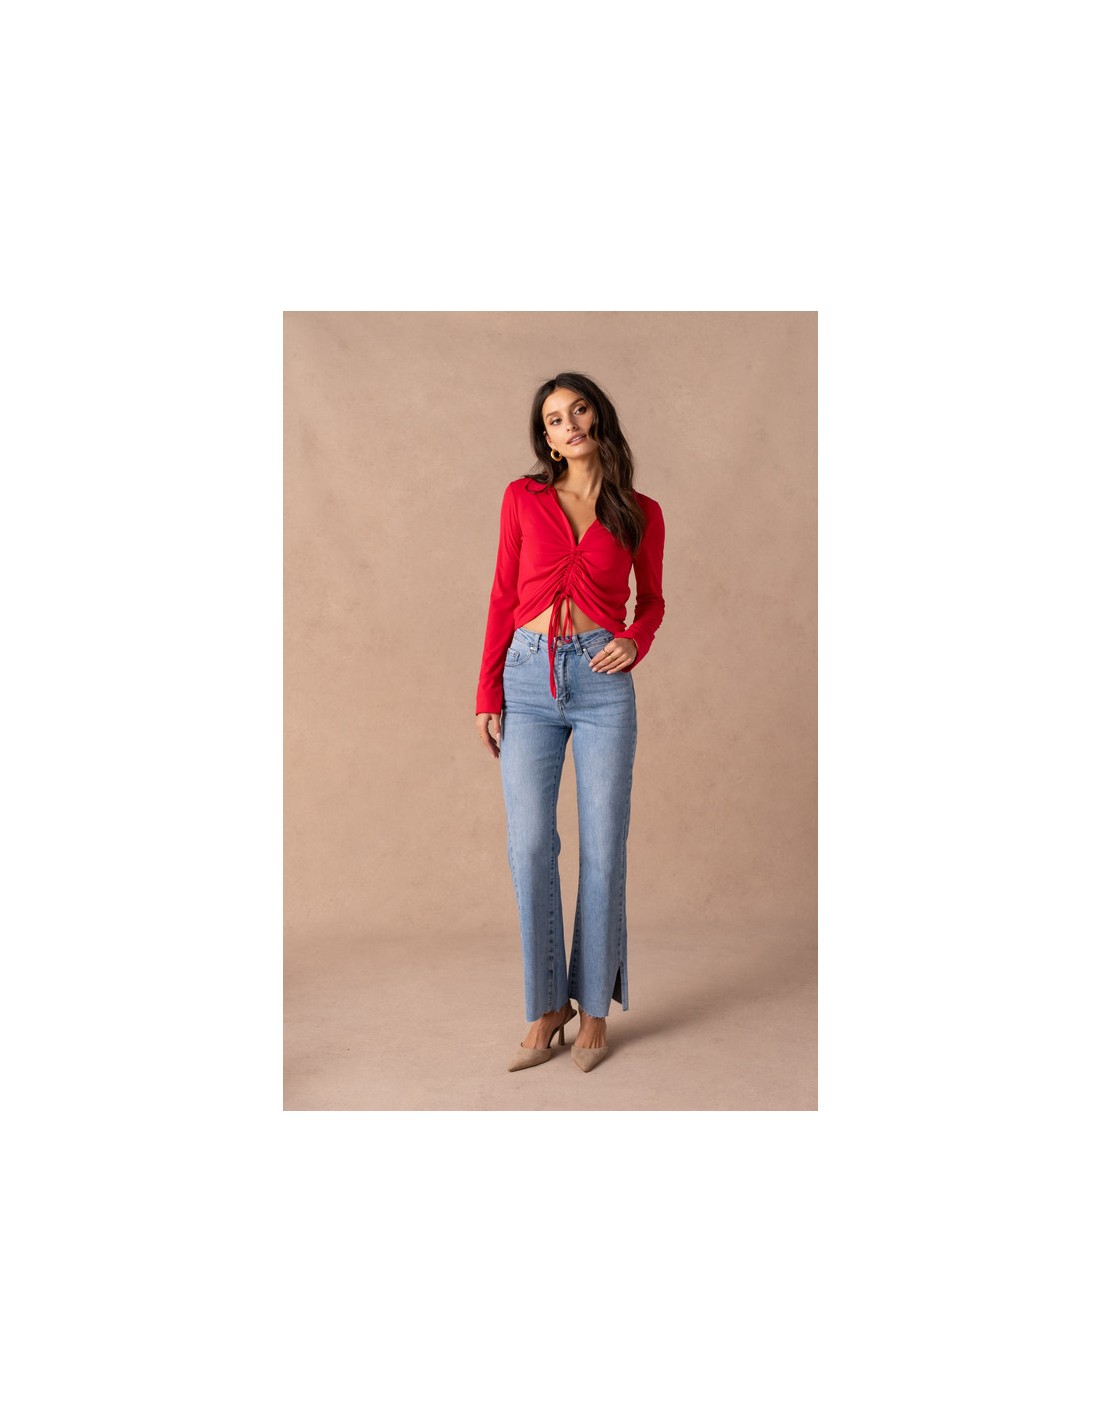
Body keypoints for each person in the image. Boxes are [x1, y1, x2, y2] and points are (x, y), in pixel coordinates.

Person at [475, 372, 666, 1073]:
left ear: (597, 417)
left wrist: (635, 641)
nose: (569, 424)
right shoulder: (522, 499)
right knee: (529, 845)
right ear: (547, 439)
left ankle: (594, 1012)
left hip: (601, 682)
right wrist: (487, 690)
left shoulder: (639, 510)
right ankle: (546, 1005)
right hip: (526, 678)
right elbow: (503, 594)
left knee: (604, 847)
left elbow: (653, 600)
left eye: (578, 409)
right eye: (554, 419)